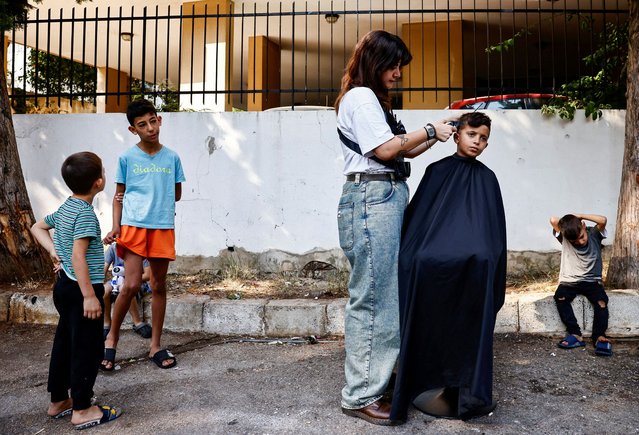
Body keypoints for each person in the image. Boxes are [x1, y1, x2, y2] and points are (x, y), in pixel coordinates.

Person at [335, 30, 456, 426]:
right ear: (376, 61)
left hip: (381, 197)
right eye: (394, 64)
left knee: (386, 294)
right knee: (375, 298)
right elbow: (387, 151)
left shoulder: (373, 102)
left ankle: (373, 381)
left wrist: (438, 131)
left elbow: (402, 148)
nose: (399, 73)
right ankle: (360, 396)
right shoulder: (360, 97)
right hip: (372, 200)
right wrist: (431, 130)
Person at [390, 112, 506, 422]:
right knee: (423, 271)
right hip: (433, 264)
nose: (477, 143)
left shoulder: (488, 179)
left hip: (475, 266)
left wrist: (485, 257)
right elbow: (419, 225)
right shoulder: (436, 171)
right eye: (472, 135)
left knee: (479, 270)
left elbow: (493, 236)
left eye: (483, 139)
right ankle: (426, 380)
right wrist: (418, 256)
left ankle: (465, 391)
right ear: (456, 135)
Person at [30, 152, 122, 430]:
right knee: (86, 349)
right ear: (99, 182)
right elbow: (80, 257)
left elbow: (38, 227)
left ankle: (58, 400)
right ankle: (82, 409)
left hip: (65, 287)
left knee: (65, 344)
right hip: (81, 290)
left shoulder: (67, 207)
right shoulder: (84, 214)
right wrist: (90, 296)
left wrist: (55, 254)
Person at [101, 99, 186, 371]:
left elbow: (177, 194)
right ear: (132, 129)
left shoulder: (172, 157)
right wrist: (116, 226)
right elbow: (118, 197)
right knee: (130, 285)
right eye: (142, 125)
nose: (150, 128)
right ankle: (112, 339)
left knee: (159, 285)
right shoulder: (127, 158)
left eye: (153, 121)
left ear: (159, 120)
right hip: (133, 228)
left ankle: (155, 347)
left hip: (162, 227)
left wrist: (156, 201)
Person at [549, 213, 612, 356]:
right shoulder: (565, 237)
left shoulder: (595, 234)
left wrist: (580, 216)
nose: (580, 242)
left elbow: (603, 220)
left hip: (592, 281)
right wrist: (570, 222)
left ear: (583, 226)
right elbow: (553, 220)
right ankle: (575, 334)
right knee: (560, 297)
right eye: (575, 241)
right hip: (569, 281)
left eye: (582, 237)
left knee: (601, 302)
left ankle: (599, 336)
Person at [103, 242, 152, 340]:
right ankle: (106, 323)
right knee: (104, 290)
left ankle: (137, 322)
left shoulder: (140, 248)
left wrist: (130, 278)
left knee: (125, 287)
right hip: (116, 280)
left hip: (136, 281)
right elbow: (104, 269)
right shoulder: (113, 248)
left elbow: (147, 275)